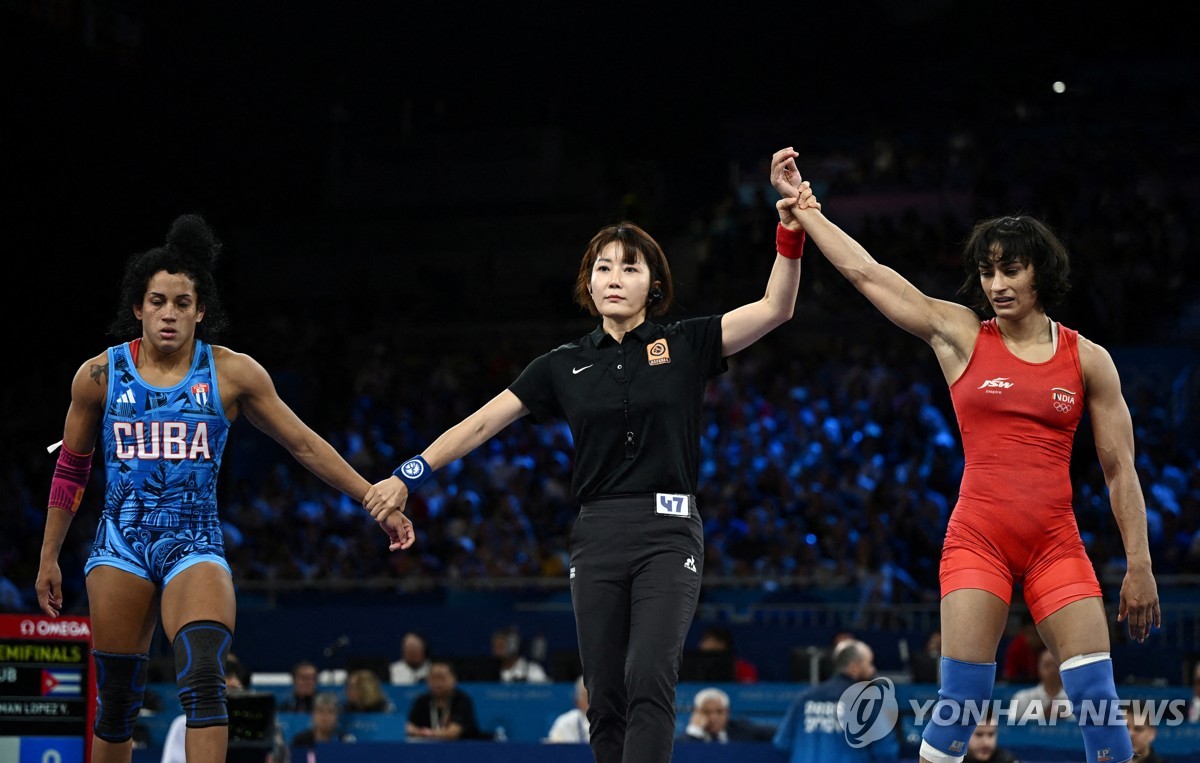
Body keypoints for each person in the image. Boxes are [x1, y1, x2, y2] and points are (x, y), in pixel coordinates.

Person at [365, 149, 820, 763]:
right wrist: (407, 473)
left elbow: (775, 309)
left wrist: (789, 230)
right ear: (588, 283)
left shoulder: (684, 343)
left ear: (651, 285)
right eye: (602, 267)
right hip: (598, 535)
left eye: (628, 268)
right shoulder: (561, 364)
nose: (613, 276)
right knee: (604, 695)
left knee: (650, 680)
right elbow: (480, 425)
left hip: (669, 533)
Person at [772, 156, 1161, 763]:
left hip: (1056, 544)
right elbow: (868, 274)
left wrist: (1139, 562)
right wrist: (807, 211)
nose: (997, 284)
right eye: (987, 272)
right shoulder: (960, 334)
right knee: (958, 711)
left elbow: (1120, 470)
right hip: (979, 538)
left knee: (1100, 709)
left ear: (1042, 273)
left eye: (1011, 269)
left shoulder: (1089, 360)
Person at [32, 214, 414, 763]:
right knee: (116, 702)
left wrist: (371, 497)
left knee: (206, 678)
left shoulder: (233, 374)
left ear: (201, 311)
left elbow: (303, 444)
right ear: (137, 307)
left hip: (196, 544)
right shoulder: (98, 375)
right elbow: (71, 469)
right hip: (120, 545)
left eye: (182, 303)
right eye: (157, 301)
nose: (169, 313)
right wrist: (49, 556)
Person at [773, 639, 900, 761]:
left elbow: (782, 742)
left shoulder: (804, 699)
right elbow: (886, 751)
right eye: (869, 663)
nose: (873, 670)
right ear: (854, 667)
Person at [405, 661, 481, 741]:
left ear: (453, 679)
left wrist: (425, 733)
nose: (437, 682)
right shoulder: (422, 700)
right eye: (433, 678)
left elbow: (452, 733)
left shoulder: (462, 700)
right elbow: (409, 727)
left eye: (442, 678)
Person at [677, 686, 774, 743]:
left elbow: (777, 735)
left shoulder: (741, 730)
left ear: (727, 712)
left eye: (719, 712)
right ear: (696, 713)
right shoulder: (690, 736)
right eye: (706, 712)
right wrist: (694, 731)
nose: (713, 717)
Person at [1009, 648, 1071, 722]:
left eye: (1056, 665)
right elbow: (1010, 728)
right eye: (1047, 665)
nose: (1052, 670)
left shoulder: (1073, 699)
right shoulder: (1022, 698)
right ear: (1039, 669)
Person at [290, 692, 356, 749]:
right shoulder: (300, 742)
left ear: (337, 717)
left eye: (330, 712)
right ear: (313, 715)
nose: (325, 717)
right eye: (321, 711)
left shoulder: (346, 742)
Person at [545, 675, 590, 744]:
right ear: (577, 700)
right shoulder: (565, 722)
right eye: (587, 696)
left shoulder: (610, 721)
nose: (592, 701)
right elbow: (553, 750)